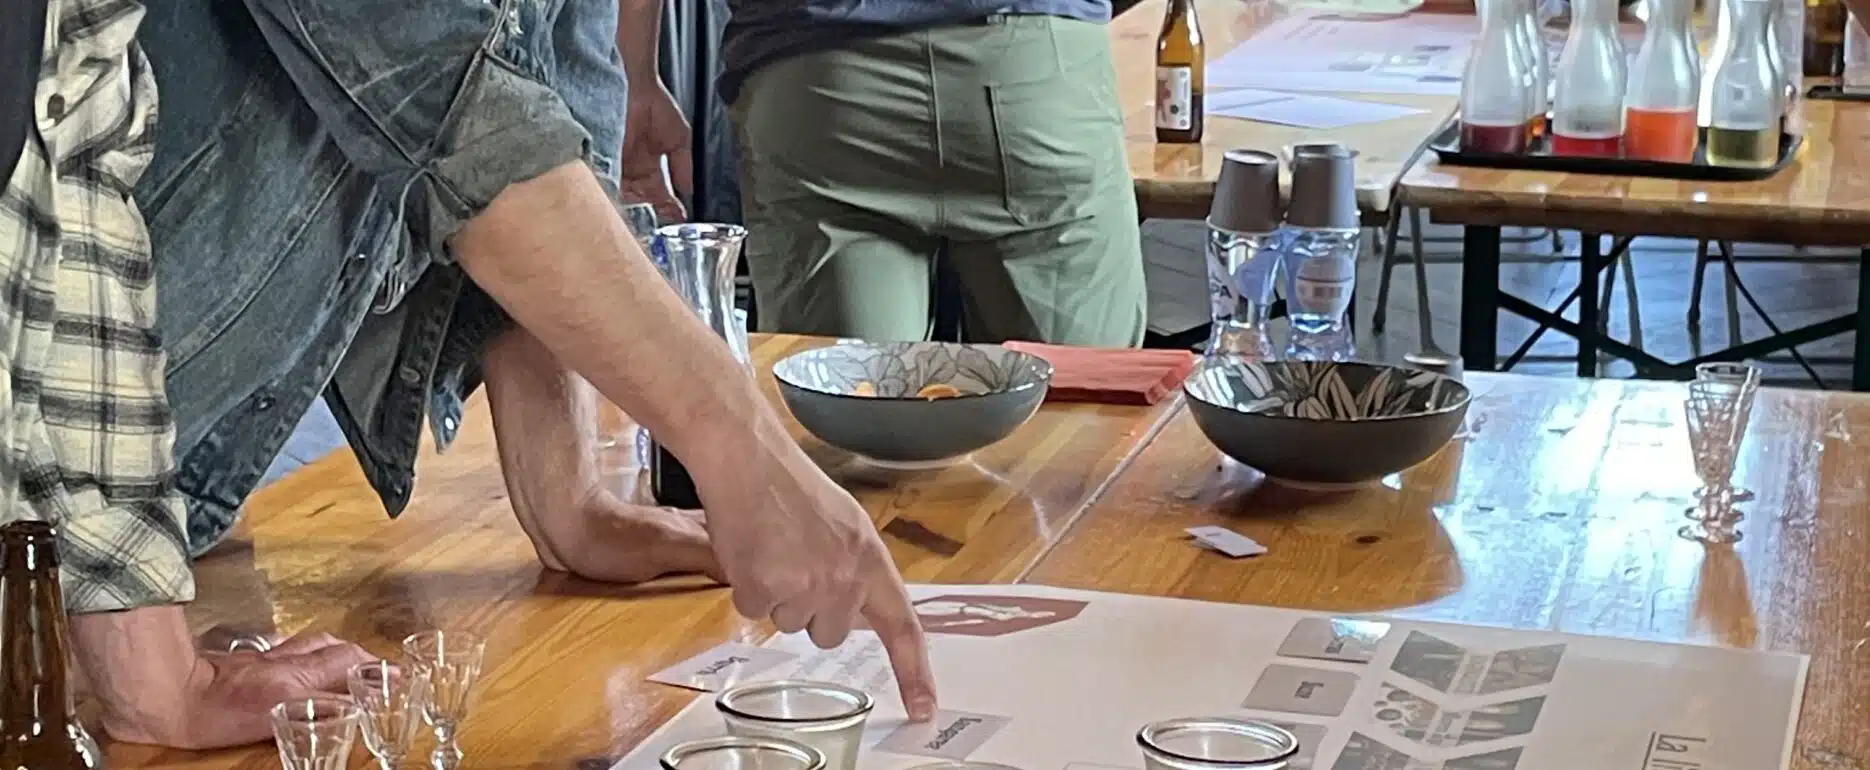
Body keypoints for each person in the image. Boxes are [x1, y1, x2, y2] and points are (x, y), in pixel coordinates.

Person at [0, 0, 935, 750]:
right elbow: (442, 92)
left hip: (123, 513)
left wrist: (569, 497)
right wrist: (740, 445)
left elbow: (556, 87)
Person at [723, 1, 1150, 346]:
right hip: (1031, 71)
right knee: (1076, 405)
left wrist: (665, 89)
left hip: (821, 82)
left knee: (842, 402)